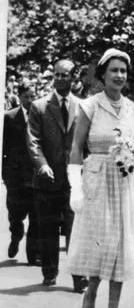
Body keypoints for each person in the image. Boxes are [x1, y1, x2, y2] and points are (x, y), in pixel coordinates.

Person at [66, 48, 134, 308]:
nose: (119, 76)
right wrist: (75, 186)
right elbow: (77, 147)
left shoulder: (133, 109)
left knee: (121, 247)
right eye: (114, 70)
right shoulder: (89, 106)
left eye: (123, 71)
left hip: (123, 182)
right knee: (100, 243)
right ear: (102, 74)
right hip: (97, 180)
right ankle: (90, 294)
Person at [27, 59, 87, 292]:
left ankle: (78, 277)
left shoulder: (83, 107)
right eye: (57, 75)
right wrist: (41, 164)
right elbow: (33, 141)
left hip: (74, 179)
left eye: (65, 75)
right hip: (47, 179)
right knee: (48, 228)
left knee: (76, 229)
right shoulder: (39, 106)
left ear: (74, 78)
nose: (60, 79)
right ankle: (50, 272)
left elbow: (87, 142)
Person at [2, 80, 40, 264]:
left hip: (34, 174)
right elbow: (3, 147)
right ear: (20, 96)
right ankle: (16, 236)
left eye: (33, 96)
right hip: (15, 176)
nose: (31, 100)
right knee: (15, 214)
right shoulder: (9, 117)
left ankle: (33, 255)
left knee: (35, 214)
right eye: (27, 97)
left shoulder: (41, 116)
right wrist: (5, 173)